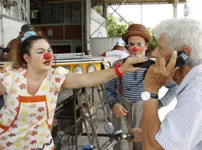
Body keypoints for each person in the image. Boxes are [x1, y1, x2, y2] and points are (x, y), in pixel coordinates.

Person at [0, 31, 144, 150]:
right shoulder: (11, 76)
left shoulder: (55, 77)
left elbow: (88, 78)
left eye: (49, 50)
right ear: (27, 58)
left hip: (40, 145)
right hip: (8, 144)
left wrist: (121, 70)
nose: (48, 55)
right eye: (40, 51)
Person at [140, 18, 202, 150]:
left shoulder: (199, 91)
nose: (154, 53)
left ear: (183, 56)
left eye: (160, 48)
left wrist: (151, 89)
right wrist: (148, 132)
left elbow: (152, 148)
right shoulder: (200, 83)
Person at [104, 24, 177, 150]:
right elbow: (108, 89)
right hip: (122, 113)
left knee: (145, 145)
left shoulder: (155, 67)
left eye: (139, 44)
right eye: (131, 44)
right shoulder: (118, 65)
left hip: (145, 112)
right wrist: (114, 104)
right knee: (122, 145)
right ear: (127, 46)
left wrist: (158, 104)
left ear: (146, 45)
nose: (135, 48)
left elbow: (174, 87)